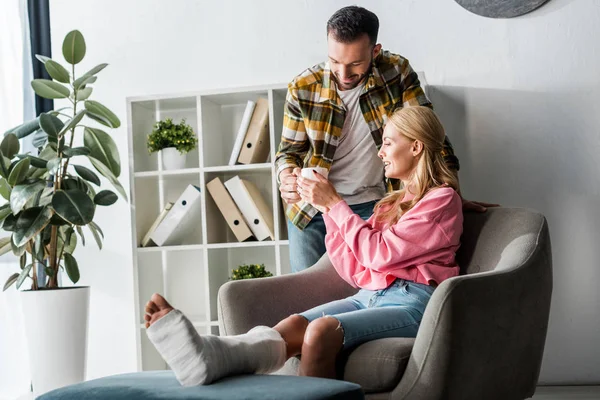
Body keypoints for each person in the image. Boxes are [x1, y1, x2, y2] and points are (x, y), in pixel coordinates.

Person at [145, 106, 464, 385]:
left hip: (412, 304)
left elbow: (379, 253)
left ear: (416, 147)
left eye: (389, 143)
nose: (380, 152)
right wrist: (327, 209)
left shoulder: (442, 200)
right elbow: (355, 269)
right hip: (368, 295)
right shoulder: (389, 204)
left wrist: (337, 204)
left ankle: (213, 356)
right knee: (295, 324)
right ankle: (209, 357)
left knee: (320, 332)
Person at [276, 6, 494, 273]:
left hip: (379, 205)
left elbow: (428, 135)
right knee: (307, 295)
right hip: (313, 209)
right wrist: (285, 176)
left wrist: (449, 195)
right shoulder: (302, 88)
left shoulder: (396, 72)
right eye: (335, 61)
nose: (343, 75)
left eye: (355, 64)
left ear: (375, 51)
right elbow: (289, 152)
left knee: (372, 293)